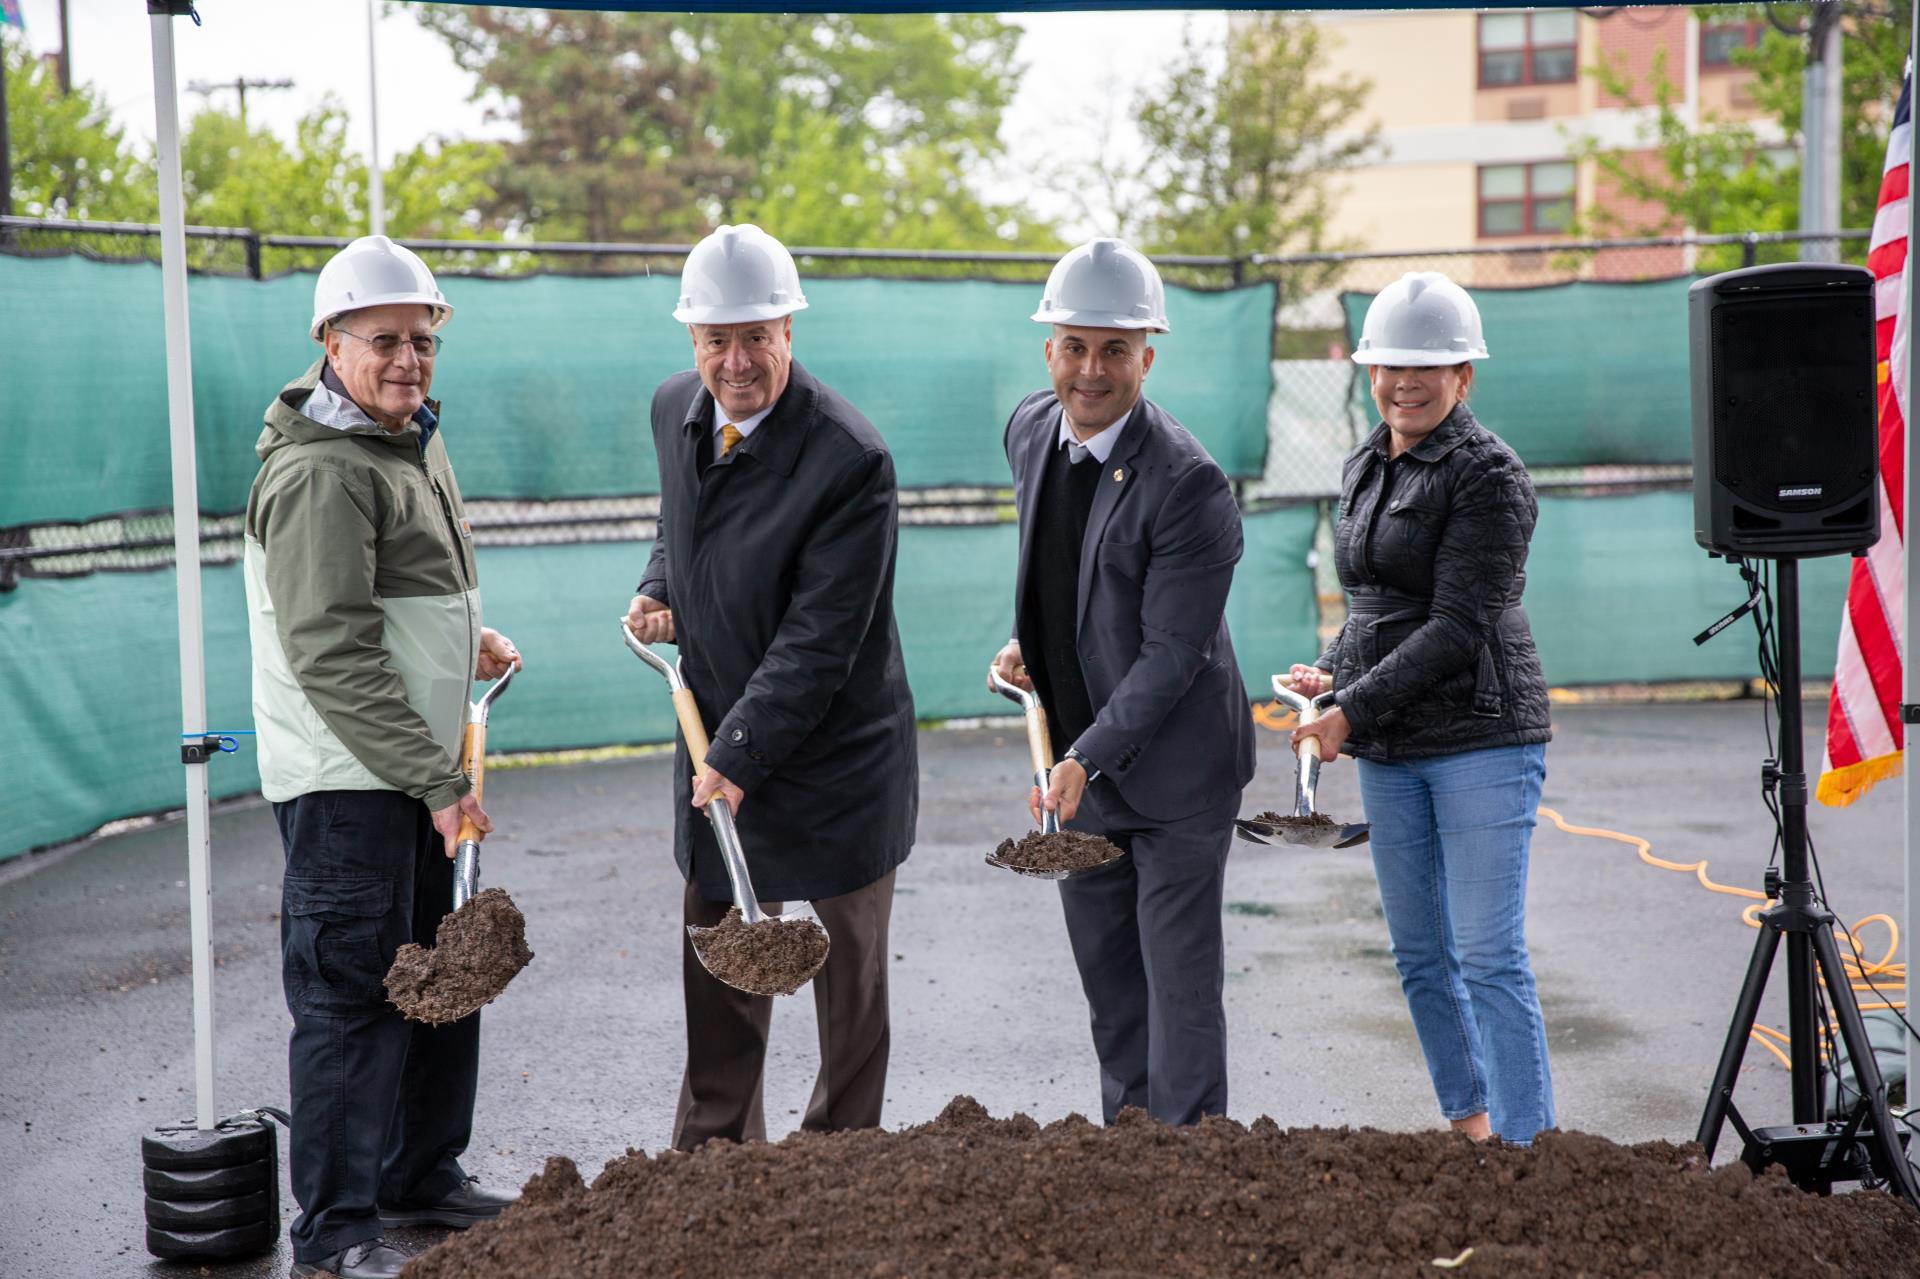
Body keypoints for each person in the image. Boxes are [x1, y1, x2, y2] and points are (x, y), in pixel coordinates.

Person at [244, 235, 525, 1279]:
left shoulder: (403, 437)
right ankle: (336, 1232)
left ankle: (419, 1173)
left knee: (445, 972)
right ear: (329, 342)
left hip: (409, 767)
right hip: (353, 778)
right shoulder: (322, 469)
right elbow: (332, 650)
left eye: (423, 339)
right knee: (353, 992)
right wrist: (441, 780)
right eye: (384, 340)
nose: (408, 359)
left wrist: (466, 646)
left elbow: (396, 601)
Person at [625, 223, 918, 1150]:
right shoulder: (677, 406)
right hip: (720, 727)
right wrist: (659, 585)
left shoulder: (850, 460)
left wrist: (737, 754)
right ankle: (715, 1149)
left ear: (790, 327)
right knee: (718, 944)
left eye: (758, 335)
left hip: (836, 752)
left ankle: (839, 1152)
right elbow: (680, 519)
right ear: (692, 342)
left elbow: (818, 643)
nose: (738, 359)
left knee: (850, 971)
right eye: (718, 338)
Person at [989, 238, 1255, 1126]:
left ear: (1148, 355)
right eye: (1074, 346)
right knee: (1111, 988)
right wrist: (1035, 642)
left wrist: (1086, 756)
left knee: (1176, 996)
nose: (1091, 370)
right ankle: (1131, 1156)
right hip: (1083, 766)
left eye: (1114, 350)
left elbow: (1173, 653)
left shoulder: (1190, 485)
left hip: (1176, 774)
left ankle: (1192, 1170)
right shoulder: (1030, 428)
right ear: (1049, 351)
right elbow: (1065, 564)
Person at [1285, 270, 1554, 1145]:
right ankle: (1472, 1128)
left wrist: (1349, 712)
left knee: (1487, 955)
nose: (1403, 381)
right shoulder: (1365, 461)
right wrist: (1330, 674)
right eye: (1388, 364)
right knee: (1421, 955)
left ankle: (1530, 1150)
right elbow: (1370, 603)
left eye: (1426, 366)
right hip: (1394, 743)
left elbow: (1454, 625)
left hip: (1481, 735)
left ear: (1463, 376)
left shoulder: (1491, 475)